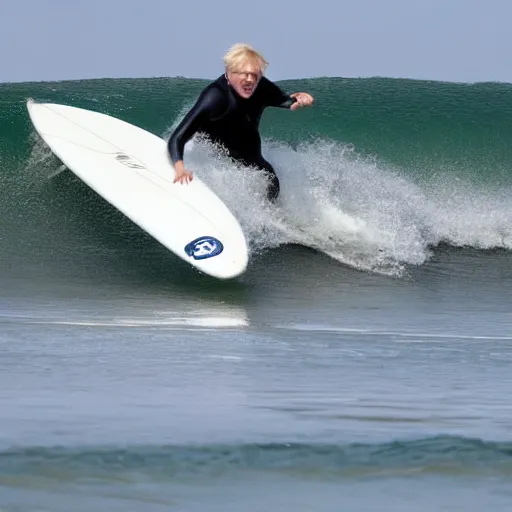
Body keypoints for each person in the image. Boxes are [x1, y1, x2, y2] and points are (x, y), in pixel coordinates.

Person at [167, 43, 314, 201]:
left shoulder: (262, 87)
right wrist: (180, 168)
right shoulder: (214, 98)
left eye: (255, 75)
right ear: (229, 72)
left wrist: (301, 99)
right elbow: (178, 138)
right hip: (216, 159)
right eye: (245, 74)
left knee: (272, 181)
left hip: (250, 155)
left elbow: (286, 102)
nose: (250, 80)